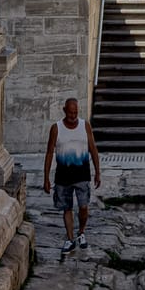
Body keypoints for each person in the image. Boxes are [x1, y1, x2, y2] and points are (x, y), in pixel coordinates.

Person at [42, 97, 101, 254]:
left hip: (82, 173)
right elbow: (49, 153)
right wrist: (46, 177)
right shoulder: (56, 128)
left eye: (75, 113)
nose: (73, 116)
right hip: (63, 175)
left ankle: (81, 232)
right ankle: (69, 238)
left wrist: (98, 171)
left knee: (83, 206)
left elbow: (93, 148)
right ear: (64, 110)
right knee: (66, 208)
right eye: (70, 113)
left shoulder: (85, 125)